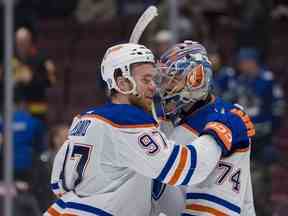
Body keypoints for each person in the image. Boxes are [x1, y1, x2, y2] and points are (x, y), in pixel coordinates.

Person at [44, 43, 252, 216]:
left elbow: (58, 184)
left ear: (197, 78)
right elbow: (187, 167)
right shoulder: (132, 122)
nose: (157, 88)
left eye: (158, 80)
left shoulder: (84, 119)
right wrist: (220, 132)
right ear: (123, 83)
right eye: (146, 80)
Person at [152, 40, 256, 216]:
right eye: (164, 81)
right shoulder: (169, 122)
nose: (165, 88)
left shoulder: (231, 120)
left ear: (197, 79)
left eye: (173, 79)